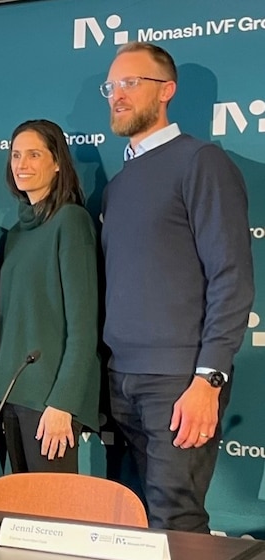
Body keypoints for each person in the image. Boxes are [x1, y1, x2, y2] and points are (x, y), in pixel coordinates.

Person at [101, 42, 254, 532]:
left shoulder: (200, 162)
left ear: (166, 91)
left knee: (175, 523)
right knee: (137, 525)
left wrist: (208, 380)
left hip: (178, 381)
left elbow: (230, 276)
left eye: (131, 83)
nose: (117, 96)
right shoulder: (119, 182)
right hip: (122, 380)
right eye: (111, 86)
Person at [0, 119, 99, 474]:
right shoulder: (15, 234)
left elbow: (83, 326)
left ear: (57, 163)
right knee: (18, 515)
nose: (21, 164)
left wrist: (63, 402)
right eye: (16, 155)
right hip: (12, 395)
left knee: (51, 521)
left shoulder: (71, 221)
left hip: (49, 401)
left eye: (34, 154)